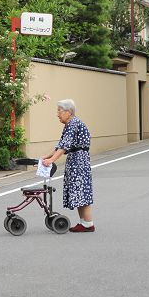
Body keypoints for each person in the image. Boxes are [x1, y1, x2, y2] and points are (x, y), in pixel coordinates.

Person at [42, 99, 94, 233]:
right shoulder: (70, 124)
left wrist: (52, 160)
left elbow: (64, 146)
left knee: (81, 190)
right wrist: (47, 157)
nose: (57, 114)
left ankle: (88, 223)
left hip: (79, 161)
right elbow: (61, 145)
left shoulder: (73, 123)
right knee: (78, 191)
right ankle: (84, 223)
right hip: (75, 159)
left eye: (59, 111)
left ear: (68, 112)